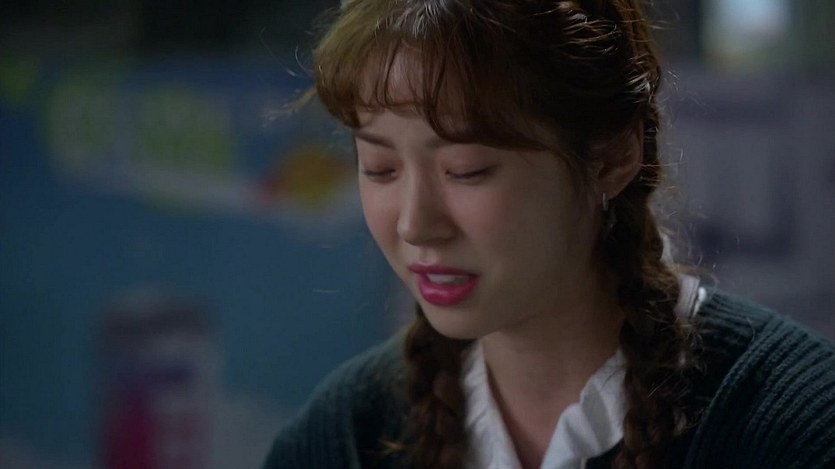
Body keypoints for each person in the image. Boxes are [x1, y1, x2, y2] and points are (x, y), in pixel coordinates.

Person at [261, 1, 835, 468]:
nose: (414, 224)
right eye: (380, 168)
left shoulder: (792, 426)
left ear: (612, 157)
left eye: (467, 171)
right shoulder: (348, 433)